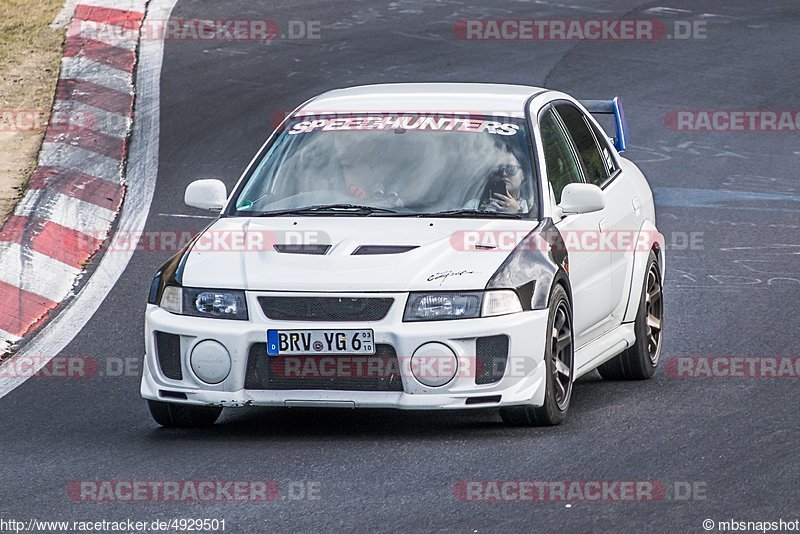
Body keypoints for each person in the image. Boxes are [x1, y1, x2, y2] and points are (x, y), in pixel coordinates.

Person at [467, 148, 530, 213]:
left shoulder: (533, 208)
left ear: (523, 174)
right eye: (499, 169)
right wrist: (484, 215)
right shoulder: (473, 206)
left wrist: (518, 211)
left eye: (511, 169)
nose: (504, 173)